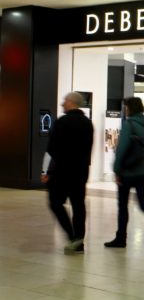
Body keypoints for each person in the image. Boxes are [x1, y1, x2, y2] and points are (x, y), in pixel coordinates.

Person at [105, 97, 144, 252]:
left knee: (123, 206)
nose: (125, 110)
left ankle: (121, 238)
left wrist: (117, 170)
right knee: (143, 204)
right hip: (141, 172)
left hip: (127, 172)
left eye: (126, 107)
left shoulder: (129, 124)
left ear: (130, 108)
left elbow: (122, 149)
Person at [41, 92, 94, 255]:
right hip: (80, 172)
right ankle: (79, 241)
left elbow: (51, 150)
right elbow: (88, 151)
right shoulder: (87, 123)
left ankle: (72, 236)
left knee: (55, 202)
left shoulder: (62, 122)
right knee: (78, 205)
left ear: (71, 103)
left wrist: (45, 171)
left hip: (61, 172)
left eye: (64, 101)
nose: (62, 104)